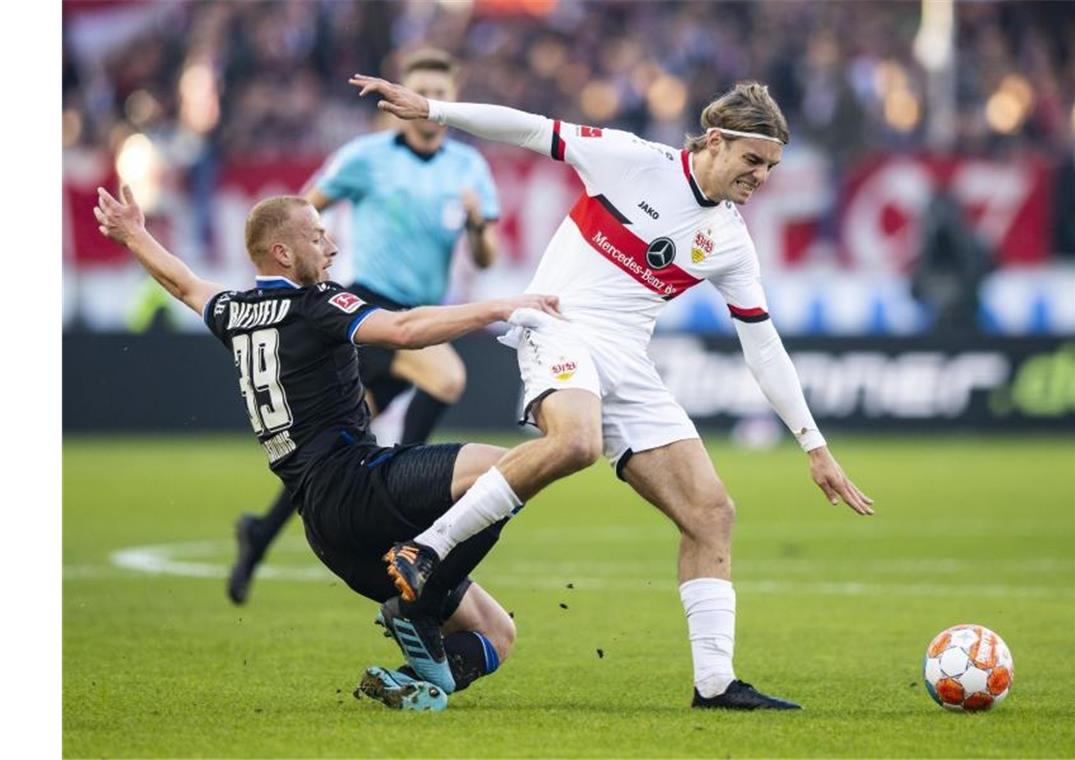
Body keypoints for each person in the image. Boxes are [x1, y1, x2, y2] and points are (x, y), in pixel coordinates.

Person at [350, 75, 876, 711]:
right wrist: (433, 108)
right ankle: (427, 548)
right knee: (575, 441)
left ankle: (715, 684)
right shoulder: (633, 161)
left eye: (770, 166)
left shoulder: (731, 241)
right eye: (753, 160)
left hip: (627, 359)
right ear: (715, 141)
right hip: (557, 325)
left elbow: (762, 344)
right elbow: (528, 126)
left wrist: (813, 446)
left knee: (712, 514)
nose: (761, 177)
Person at [93, 187, 560, 710]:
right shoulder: (315, 305)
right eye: (317, 236)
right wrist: (501, 306)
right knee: (508, 467)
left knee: (497, 634)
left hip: (327, 534)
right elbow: (404, 329)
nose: (331, 246)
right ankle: (419, 603)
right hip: (357, 485)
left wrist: (134, 234)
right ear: (283, 254)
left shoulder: (233, 312)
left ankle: (418, 682)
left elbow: (182, 283)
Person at [227, 48, 502, 606]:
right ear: (402, 98)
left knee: (343, 443)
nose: (429, 106)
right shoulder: (367, 156)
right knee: (447, 380)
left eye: (440, 94)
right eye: (421, 90)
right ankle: (415, 504)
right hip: (369, 310)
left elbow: (488, 253)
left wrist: (476, 224)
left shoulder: (469, 167)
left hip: (419, 315)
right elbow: (302, 206)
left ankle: (261, 532)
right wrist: (313, 250)